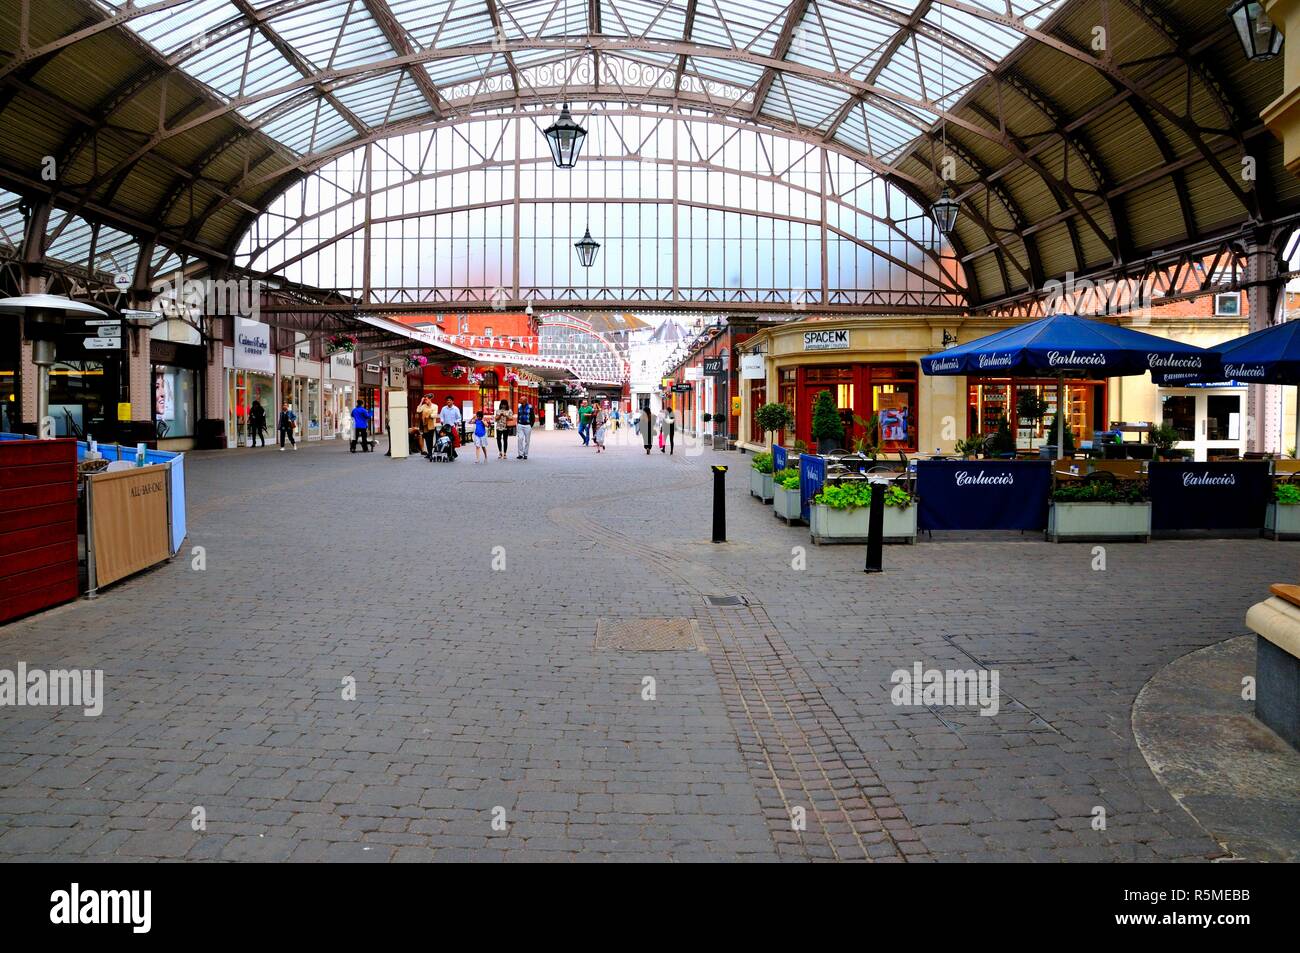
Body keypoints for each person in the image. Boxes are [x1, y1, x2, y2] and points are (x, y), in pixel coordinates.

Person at [418, 396, 438, 460]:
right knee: (426, 439)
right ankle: (429, 453)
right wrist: (421, 401)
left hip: (431, 425)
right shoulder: (423, 406)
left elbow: (435, 415)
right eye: (425, 400)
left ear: (430, 399)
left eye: (426, 399)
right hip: (425, 425)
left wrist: (428, 414)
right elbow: (418, 410)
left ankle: (430, 453)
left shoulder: (435, 406)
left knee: (430, 439)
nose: (425, 401)